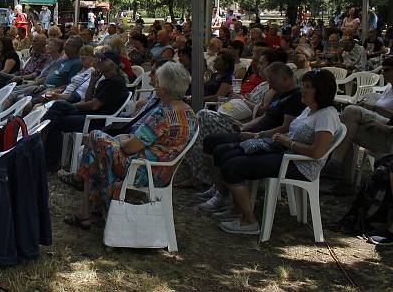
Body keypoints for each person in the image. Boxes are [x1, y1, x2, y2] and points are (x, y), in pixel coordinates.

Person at [59, 61, 196, 228]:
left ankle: (85, 199)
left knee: (94, 138)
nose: (155, 85)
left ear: (164, 89)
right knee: (97, 148)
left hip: (140, 170)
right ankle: (88, 209)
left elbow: (129, 148)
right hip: (162, 171)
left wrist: (122, 140)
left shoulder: (162, 114)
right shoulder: (189, 113)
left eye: (157, 82)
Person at [211, 69, 340, 234]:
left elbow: (317, 152)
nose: (303, 89)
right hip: (286, 153)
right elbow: (293, 133)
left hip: (299, 165)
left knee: (232, 166)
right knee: (227, 155)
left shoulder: (327, 116)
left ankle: (249, 221)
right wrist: (270, 137)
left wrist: (289, 142)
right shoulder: (309, 109)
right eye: (303, 85)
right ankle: (237, 209)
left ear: (320, 91)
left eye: (308, 87)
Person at [41, 50, 129, 171]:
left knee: (57, 121)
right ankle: (43, 139)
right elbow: (89, 99)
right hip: (89, 115)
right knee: (58, 107)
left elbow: (94, 105)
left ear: (112, 64)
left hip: (97, 121)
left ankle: (49, 157)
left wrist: (76, 105)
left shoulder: (116, 82)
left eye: (102, 60)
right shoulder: (105, 80)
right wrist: (92, 81)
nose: (98, 61)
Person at [326, 57, 393, 195]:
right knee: (344, 130)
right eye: (383, 70)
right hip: (378, 126)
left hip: (387, 131)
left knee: (351, 111)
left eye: (387, 70)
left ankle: (335, 163)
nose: (384, 73)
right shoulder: (389, 88)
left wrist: (374, 109)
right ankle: (345, 181)